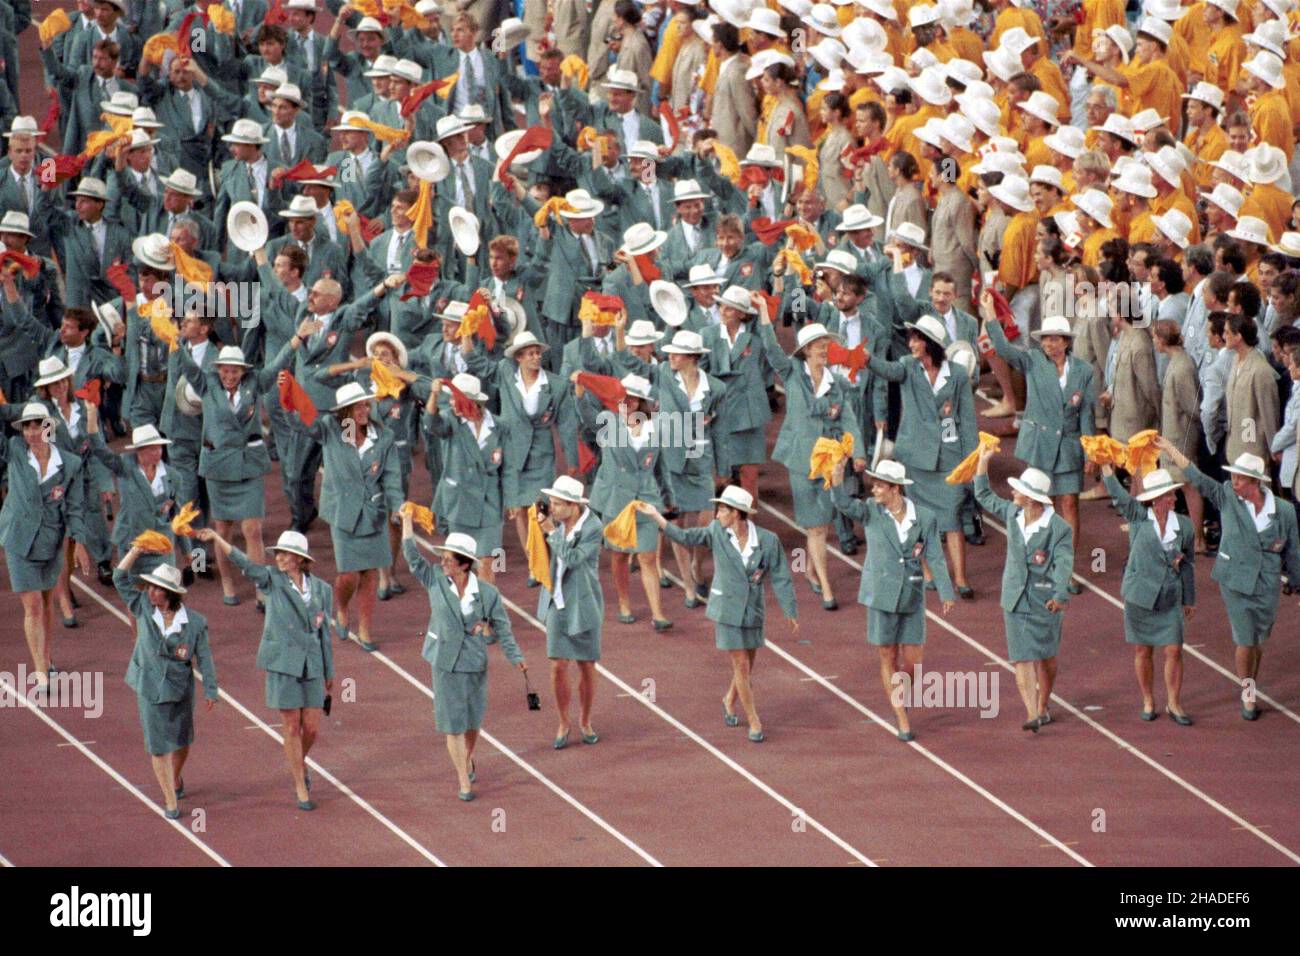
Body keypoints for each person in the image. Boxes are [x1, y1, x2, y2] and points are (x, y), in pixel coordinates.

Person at [638, 486, 798, 743]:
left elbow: (781, 575)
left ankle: (728, 699)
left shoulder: (767, 541)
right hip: (726, 610)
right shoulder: (715, 532)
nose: (717, 513)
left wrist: (790, 609)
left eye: (723, 509)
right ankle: (754, 720)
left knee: (747, 664)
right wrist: (658, 517)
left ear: (737, 513)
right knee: (741, 666)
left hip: (752, 611)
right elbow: (686, 536)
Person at [1157, 438, 1300, 721]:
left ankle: (1250, 682)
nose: (1234, 481)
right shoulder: (1226, 496)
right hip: (1234, 581)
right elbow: (1196, 476)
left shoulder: (1283, 511)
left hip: (1267, 584)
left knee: (1258, 640)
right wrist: (1170, 449)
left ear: (1255, 482)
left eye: (1240, 478)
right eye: (1233, 475)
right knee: (1245, 639)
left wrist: (1296, 580)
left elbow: (1293, 548)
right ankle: (1248, 692)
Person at [197, 528, 334, 810]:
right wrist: (218, 540)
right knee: (291, 725)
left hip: (313, 664)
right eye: (278, 553)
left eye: (286, 554)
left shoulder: (322, 590)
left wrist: (329, 671)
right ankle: (299, 784)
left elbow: (325, 635)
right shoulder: (271, 580)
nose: (280, 558)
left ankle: (300, 765)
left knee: (312, 728)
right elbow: (245, 563)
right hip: (283, 663)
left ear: (300, 559)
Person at [828, 457, 955, 741]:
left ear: (895, 489)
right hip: (880, 594)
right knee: (888, 655)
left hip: (911, 593)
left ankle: (901, 694)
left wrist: (946, 591)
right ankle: (901, 716)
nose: (873, 491)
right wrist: (836, 480)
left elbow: (933, 554)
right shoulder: (872, 511)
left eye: (879, 486)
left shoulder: (924, 517)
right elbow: (845, 505)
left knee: (913, 663)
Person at [401, 523, 526, 801]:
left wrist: (515, 657)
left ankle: (467, 758)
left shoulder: (488, 594)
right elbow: (412, 558)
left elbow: (503, 628)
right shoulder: (434, 578)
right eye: (442, 557)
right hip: (443, 660)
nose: (442, 562)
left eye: (448, 559)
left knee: (472, 720)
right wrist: (407, 524)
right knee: (452, 722)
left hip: (473, 660)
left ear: (464, 564)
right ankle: (462, 779)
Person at [759, 299, 867, 611]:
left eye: (826, 344)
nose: (824, 349)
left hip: (830, 463)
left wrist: (858, 454)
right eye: (818, 345)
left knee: (821, 523)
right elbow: (770, 348)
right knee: (815, 525)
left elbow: (848, 420)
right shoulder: (792, 373)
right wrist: (765, 315)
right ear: (805, 350)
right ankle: (826, 586)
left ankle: (808, 569)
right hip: (800, 461)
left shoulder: (837, 385)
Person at [863, 314, 978, 597]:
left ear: (932, 344)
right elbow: (887, 370)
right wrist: (864, 359)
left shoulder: (959, 375)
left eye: (917, 339)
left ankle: (961, 579)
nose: (911, 344)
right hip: (916, 458)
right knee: (921, 520)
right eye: (911, 338)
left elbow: (968, 420)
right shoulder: (907, 367)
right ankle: (929, 573)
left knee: (952, 518)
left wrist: (973, 461)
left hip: (950, 458)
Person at [982, 294, 1094, 581]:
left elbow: (1086, 414)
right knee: (1040, 504)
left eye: (1054, 339)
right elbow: (1004, 350)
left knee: (1069, 503)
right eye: (1045, 339)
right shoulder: (1031, 360)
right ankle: (1039, 560)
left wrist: (1091, 449)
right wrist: (989, 314)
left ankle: (1065, 568)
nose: (1048, 344)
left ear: (1066, 342)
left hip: (1068, 446)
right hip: (1039, 447)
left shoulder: (1083, 371)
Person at [285, 381, 403, 653]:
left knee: (371, 573)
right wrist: (289, 398)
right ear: (343, 412)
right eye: (355, 407)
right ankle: (341, 607)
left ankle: (365, 628)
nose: (362, 410)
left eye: (364, 404)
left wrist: (397, 505)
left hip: (373, 511)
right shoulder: (330, 428)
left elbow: (392, 476)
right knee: (349, 574)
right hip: (343, 513)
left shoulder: (382, 436)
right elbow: (302, 423)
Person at [974, 445, 1074, 732]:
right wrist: (983, 463)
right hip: (1015, 599)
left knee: (1046, 658)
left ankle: (1043, 704)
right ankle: (1032, 712)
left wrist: (1059, 594)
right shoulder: (1011, 514)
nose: (1012, 493)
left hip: (1045, 601)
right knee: (1022, 658)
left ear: (1031, 499)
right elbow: (983, 495)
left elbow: (1064, 564)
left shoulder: (1059, 529)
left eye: (1018, 491)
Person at [113, 554, 218, 819]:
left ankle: (176, 777)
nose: (150, 592)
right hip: (148, 685)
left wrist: (211, 689)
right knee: (158, 746)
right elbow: (118, 577)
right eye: (149, 586)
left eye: (157, 588)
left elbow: (204, 657)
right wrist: (135, 551)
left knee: (182, 741)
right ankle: (170, 800)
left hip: (180, 688)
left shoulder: (194, 623)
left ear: (171, 593)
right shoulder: (141, 607)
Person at [0, 403, 92, 692]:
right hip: (18, 540)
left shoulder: (69, 464)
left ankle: (46, 657)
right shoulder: (14, 450)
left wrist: (79, 543)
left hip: (51, 542)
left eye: (37, 424)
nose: (31, 432)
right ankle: (41, 672)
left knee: (47, 603)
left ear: (48, 427)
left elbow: (76, 508)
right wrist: (21, 405)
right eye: (26, 425)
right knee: (34, 606)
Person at [576, 372, 674, 628]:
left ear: (642, 402)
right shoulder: (608, 421)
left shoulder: (656, 427)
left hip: (645, 500)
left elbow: (661, 467)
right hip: (615, 500)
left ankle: (658, 613)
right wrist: (580, 392)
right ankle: (623, 602)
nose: (628, 402)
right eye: (624, 397)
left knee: (647, 557)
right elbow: (586, 416)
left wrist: (669, 496)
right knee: (619, 557)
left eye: (634, 399)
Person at [1101, 464, 1197, 724]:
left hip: (1170, 595)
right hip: (1140, 596)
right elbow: (1119, 496)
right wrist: (1105, 467)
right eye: (1170, 495)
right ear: (1156, 499)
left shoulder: (1185, 526)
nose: (1174, 498)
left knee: (1174, 650)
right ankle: (1148, 699)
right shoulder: (1138, 517)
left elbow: (1188, 564)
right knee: (1143, 651)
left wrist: (1189, 599)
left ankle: (1174, 703)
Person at [536, 475, 604, 749]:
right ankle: (564, 721)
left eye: (557, 503)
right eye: (550, 502)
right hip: (558, 601)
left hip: (583, 602)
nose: (552, 508)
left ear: (574, 505)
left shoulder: (593, 527)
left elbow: (574, 559)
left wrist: (551, 532)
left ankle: (585, 720)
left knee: (586, 665)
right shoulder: (559, 523)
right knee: (557, 665)